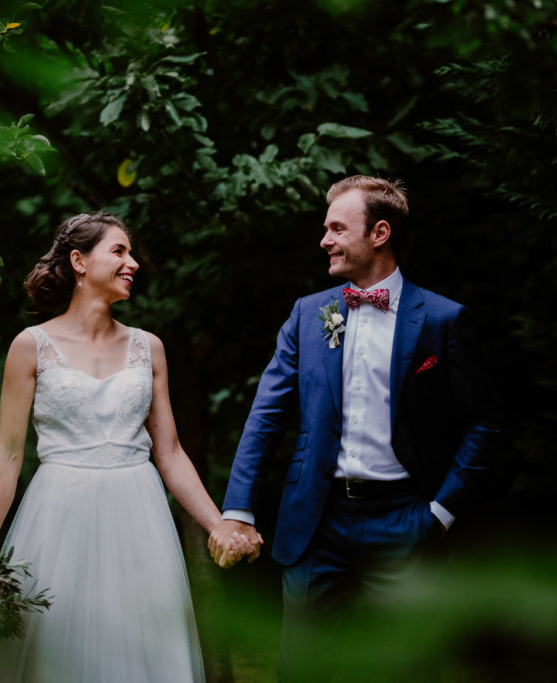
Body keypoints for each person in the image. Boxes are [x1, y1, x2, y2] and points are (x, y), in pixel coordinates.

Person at [208, 176, 502, 679]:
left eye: (337, 229)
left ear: (379, 233)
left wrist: (440, 513)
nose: (325, 240)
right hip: (317, 523)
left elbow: (483, 425)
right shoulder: (307, 315)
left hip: (407, 519)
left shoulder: (443, 319)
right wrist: (237, 509)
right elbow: (266, 417)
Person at [0, 212, 247, 683]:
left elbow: (170, 452)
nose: (132, 262)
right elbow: (9, 452)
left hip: (139, 519)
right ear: (79, 261)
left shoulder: (148, 348)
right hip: (57, 519)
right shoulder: (30, 346)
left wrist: (218, 524)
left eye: (130, 253)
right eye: (119, 251)